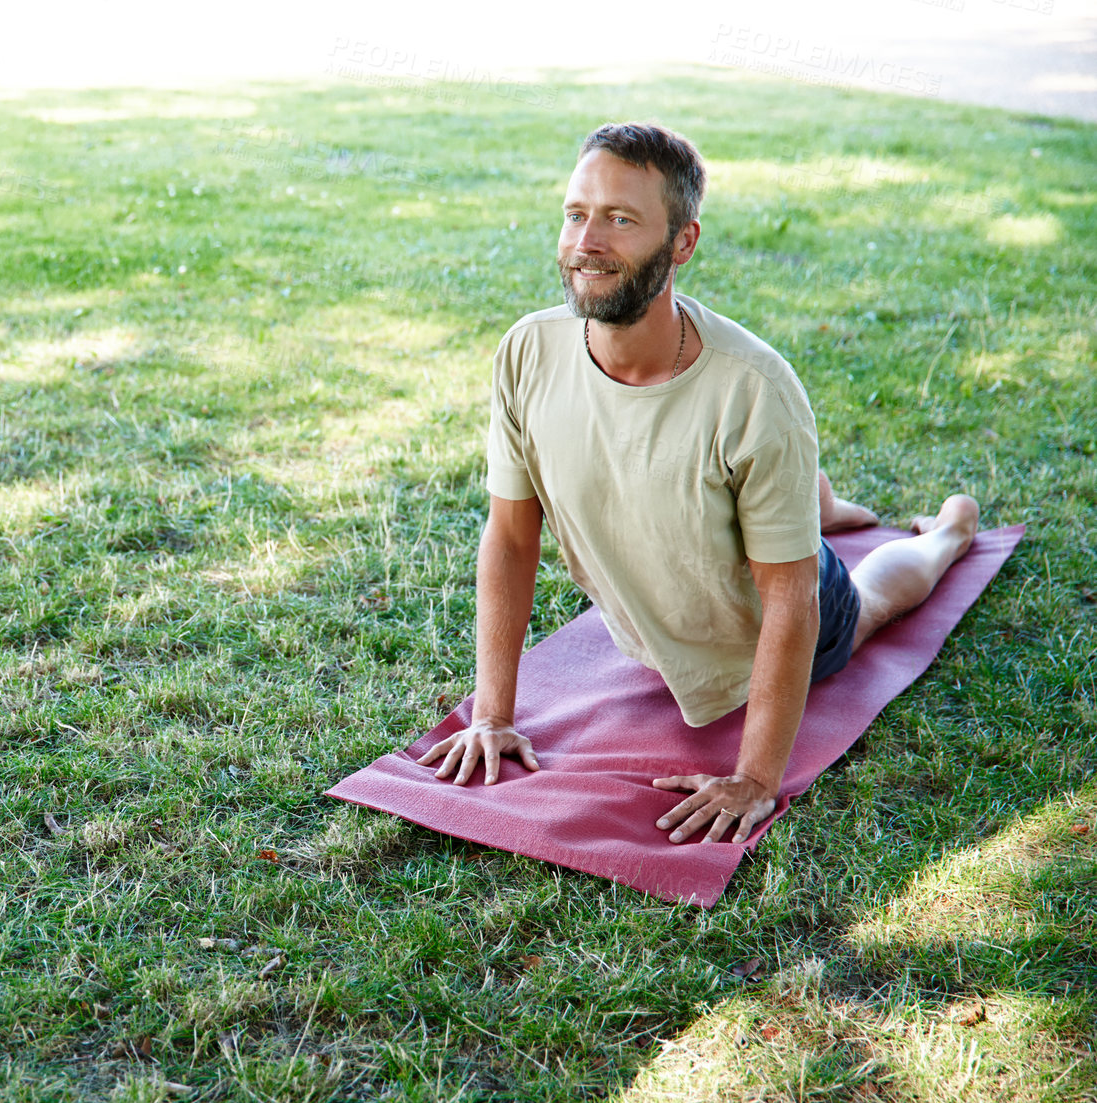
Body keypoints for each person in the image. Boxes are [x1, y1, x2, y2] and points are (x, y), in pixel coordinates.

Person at [418, 122, 980, 846]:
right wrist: (490, 714)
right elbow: (509, 534)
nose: (586, 240)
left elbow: (790, 596)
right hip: (696, 541)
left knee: (864, 596)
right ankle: (818, 502)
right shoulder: (527, 351)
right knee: (754, 493)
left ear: (681, 243)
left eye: (620, 219)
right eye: (575, 213)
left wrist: (753, 777)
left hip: (775, 619)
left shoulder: (755, 390)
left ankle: (947, 530)